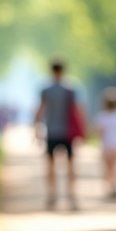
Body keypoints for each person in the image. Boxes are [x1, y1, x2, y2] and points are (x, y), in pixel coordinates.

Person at [34, 59, 85, 211]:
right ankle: (71, 195)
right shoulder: (71, 89)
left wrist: (36, 129)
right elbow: (78, 110)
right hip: (68, 132)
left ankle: (52, 194)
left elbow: (40, 110)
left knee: (50, 165)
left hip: (51, 131)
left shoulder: (46, 90)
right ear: (63, 70)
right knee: (70, 165)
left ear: (51, 71)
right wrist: (83, 130)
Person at [96, 87, 116, 200]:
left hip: (106, 145)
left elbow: (99, 131)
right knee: (115, 167)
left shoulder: (102, 115)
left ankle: (109, 188)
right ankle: (114, 186)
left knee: (107, 168)